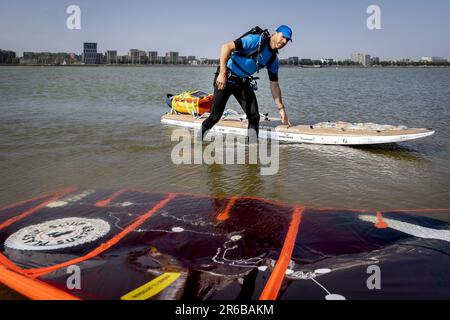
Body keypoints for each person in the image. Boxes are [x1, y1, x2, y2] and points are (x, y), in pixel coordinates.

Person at [200, 25, 293, 142]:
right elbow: (226, 47)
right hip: (226, 78)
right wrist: (222, 74)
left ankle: (252, 151)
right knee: (214, 117)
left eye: (287, 40)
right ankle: (198, 140)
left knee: (254, 116)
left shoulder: (273, 60)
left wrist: (281, 109)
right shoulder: (256, 40)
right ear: (275, 33)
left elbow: (274, 85)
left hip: (242, 83)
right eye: (283, 36)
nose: (284, 41)